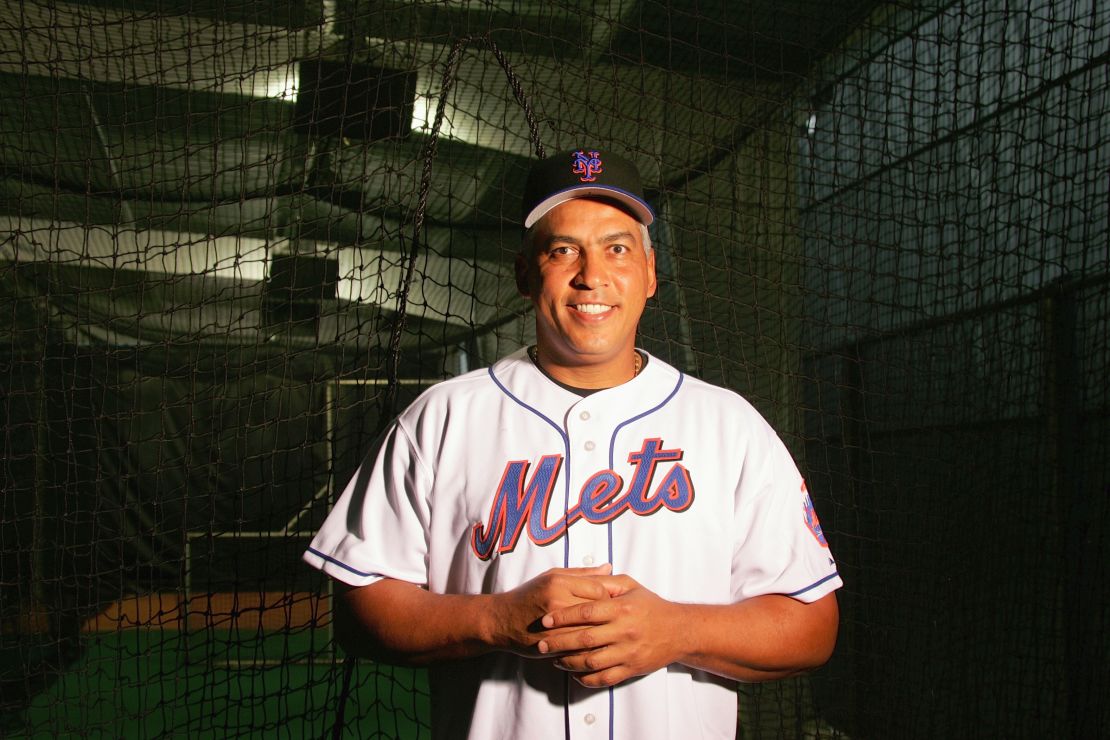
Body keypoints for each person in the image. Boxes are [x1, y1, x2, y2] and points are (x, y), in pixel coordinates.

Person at [303, 148, 842, 739]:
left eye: (617, 248)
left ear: (650, 272)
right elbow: (357, 613)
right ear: (524, 273)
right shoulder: (443, 417)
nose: (592, 274)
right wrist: (493, 619)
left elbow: (811, 626)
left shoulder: (729, 425)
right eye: (563, 251)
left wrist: (677, 630)